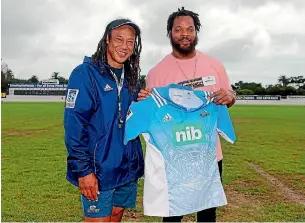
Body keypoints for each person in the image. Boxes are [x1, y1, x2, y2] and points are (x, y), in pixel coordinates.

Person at [137, 7, 236, 222]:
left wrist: (230, 96)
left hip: (209, 156)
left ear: (196, 32)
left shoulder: (215, 66)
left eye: (190, 29)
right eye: (178, 29)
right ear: (170, 33)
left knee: (208, 214)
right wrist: (143, 101)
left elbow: (226, 100)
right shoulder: (157, 73)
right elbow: (152, 116)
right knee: (172, 215)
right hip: (174, 159)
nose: (184, 34)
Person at [64, 18, 144, 222]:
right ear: (107, 39)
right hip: (98, 171)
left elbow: (133, 120)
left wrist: (145, 102)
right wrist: (84, 171)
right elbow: (74, 126)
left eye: (130, 42)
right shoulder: (85, 73)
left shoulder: (133, 78)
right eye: (119, 39)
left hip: (126, 169)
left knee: (116, 216)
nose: (124, 46)